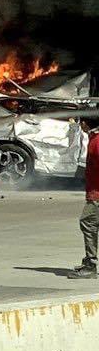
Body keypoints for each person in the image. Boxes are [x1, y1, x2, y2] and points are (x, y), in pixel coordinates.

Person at [68, 117, 99, 279]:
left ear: (86, 124)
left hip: (97, 194)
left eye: (81, 122)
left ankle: (91, 265)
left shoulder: (97, 142)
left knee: (88, 222)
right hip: (94, 192)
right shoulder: (93, 139)